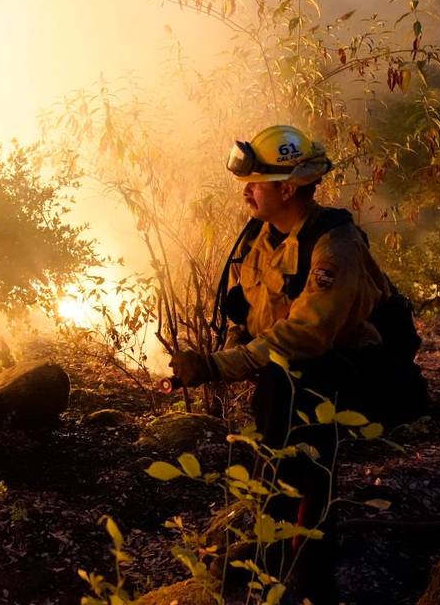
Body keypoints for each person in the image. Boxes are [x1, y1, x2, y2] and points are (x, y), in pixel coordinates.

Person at [170, 124, 399, 605]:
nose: (247, 191)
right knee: (274, 468)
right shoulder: (265, 234)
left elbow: (309, 333)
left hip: (340, 377)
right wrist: (239, 336)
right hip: (286, 376)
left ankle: (312, 584)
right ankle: (271, 562)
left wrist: (218, 365)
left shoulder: (333, 246)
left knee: (308, 476)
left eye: (256, 183)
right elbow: (259, 310)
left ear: (288, 188)